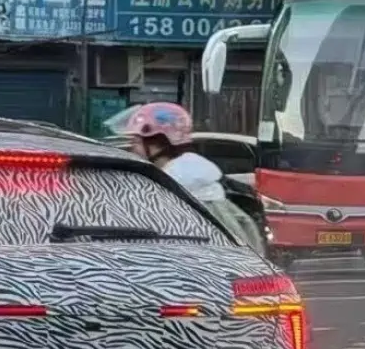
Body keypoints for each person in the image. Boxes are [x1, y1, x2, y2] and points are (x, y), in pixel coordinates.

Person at [107, 102, 266, 254]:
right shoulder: (185, 180)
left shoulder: (178, 185)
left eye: (136, 142)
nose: (131, 149)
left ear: (158, 144)